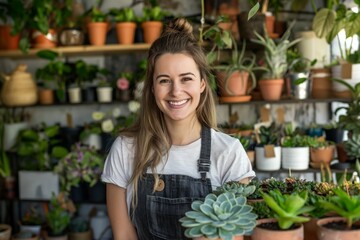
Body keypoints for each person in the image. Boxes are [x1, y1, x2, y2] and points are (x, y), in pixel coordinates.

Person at [101, 17, 255, 240]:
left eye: (186, 79)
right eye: (164, 80)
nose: (176, 91)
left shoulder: (228, 152)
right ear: (152, 88)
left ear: (202, 84)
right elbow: (123, 235)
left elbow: (235, 235)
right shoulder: (126, 149)